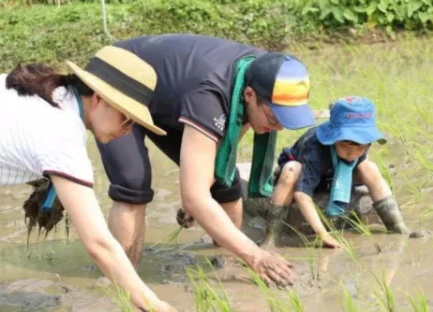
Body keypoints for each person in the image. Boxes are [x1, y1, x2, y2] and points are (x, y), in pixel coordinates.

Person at [0, 46, 188, 312]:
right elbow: (99, 244)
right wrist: (154, 305)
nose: (129, 130)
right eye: (128, 118)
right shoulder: (61, 134)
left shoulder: (51, 94)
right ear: (99, 99)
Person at [88, 33, 316, 287]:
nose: (279, 129)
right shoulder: (211, 95)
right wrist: (255, 254)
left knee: (224, 183)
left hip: (173, 95)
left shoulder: (264, 72)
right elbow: (194, 197)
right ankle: (123, 283)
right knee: (133, 183)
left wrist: (201, 191)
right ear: (250, 95)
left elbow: (225, 146)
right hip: (120, 79)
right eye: (274, 119)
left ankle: (227, 267)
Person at [261, 96, 411, 248]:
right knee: (291, 170)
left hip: (333, 175)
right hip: (305, 172)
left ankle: (397, 226)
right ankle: (271, 238)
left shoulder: (360, 147)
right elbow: (301, 194)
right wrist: (323, 234)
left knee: (370, 168)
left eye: (360, 148)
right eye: (346, 147)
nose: (352, 154)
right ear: (333, 139)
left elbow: (363, 165)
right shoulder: (315, 149)